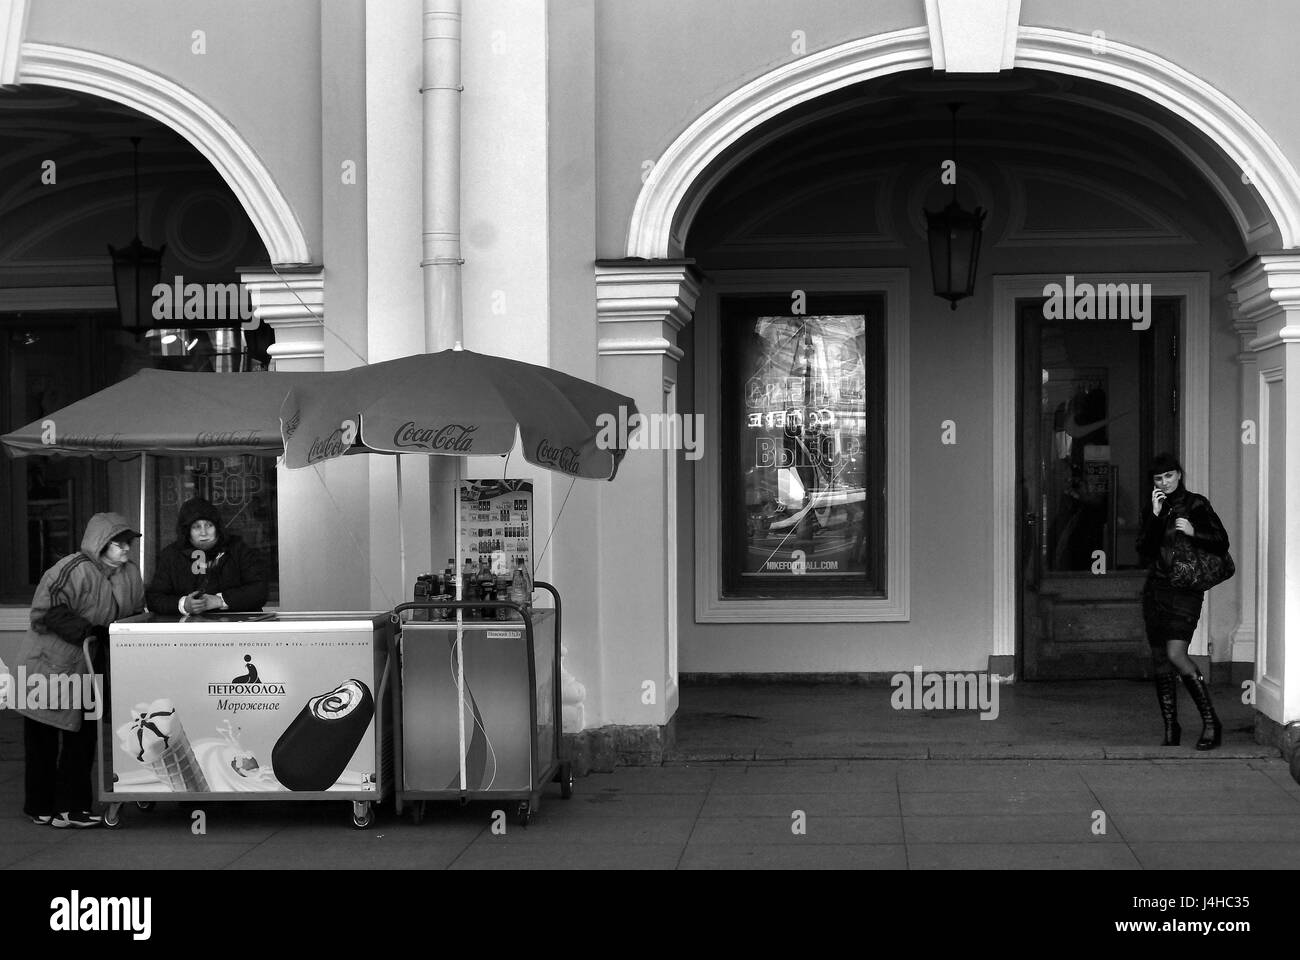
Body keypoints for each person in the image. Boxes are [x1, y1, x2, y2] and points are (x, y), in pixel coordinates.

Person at [15, 512, 145, 828]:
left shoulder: (129, 574)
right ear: (100, 544)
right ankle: (39, 805)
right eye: (118, 543)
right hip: (47, 667)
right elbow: (45, 612)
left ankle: (72, 808)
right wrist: (90, 630)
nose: (126, 549)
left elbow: (136, 611)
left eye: (127, 543)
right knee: (42, 739)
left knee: (83, 740)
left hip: (88, 667)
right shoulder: (72, 569)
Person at [1135, 453, 1230, 750]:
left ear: (1179, 474)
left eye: (1169, 476)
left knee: (1176, 653)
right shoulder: (1156, 508)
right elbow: (1144, 550)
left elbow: (1221, 542)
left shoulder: (1196, 504)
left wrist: (1193, 531)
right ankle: (1171, 728)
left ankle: (1212, 723)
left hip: (1185, 591)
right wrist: (1154, 514)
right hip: (1156, 590)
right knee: (1160, 658)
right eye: (1158, 479)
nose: (1164, 482)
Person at [146, 497, 268, 615]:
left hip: (235, 629)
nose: (203, 533)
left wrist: (220, 600)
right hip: (188, 631)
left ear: (217, 527)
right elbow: (154, 598)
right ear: (187, 531)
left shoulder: (237, 549)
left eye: (209, 525)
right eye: (196, 527)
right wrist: (183, 605)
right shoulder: (171, 555)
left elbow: (260, 590)